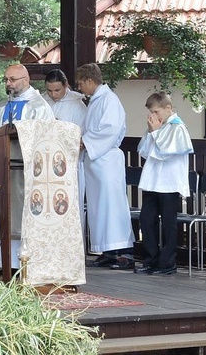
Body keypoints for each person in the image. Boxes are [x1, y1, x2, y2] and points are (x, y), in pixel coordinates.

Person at [0, 63, 54, 267]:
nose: (8, 83)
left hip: (26, 168)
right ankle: (4, 262)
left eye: (12, 79)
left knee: (23, 209)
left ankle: (26, 262)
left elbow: (45, 137)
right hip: (3, 165)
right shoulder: (1, 106)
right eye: (6, 79)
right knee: (4, 208)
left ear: (26, 80)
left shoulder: (39, 106)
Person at [75, 63, 135, 270]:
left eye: (81, 83)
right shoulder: (96, 100)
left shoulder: (109, 100)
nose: (80, 87)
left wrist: (85, 142)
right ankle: (108, 251)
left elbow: (109, 130)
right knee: (99, 208)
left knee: (112, 207)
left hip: (107, 160)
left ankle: (124, 252)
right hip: (96, 162)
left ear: (90, 81)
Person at [135, 92, 193, 275]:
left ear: (168, 108)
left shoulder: (178, 128)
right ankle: (150, 260)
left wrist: (156, 132)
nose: (154, 116)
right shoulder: (157, 127)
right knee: (147, 219)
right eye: (151, 112)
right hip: (153, 183)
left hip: (169, 184)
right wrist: (152, 132)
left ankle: (167, 263)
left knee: (169, 223)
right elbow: (144, 151)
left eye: (156, 111)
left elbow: (166, 152)